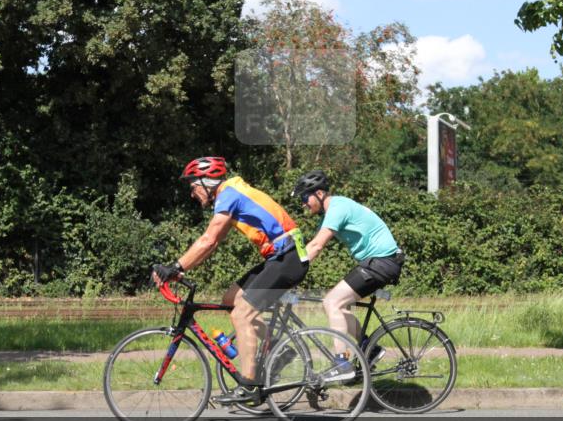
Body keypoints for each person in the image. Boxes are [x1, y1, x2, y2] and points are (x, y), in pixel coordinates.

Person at [151, 156, 309, 403]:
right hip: (280, 257)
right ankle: (279, 348)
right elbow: (212, 243)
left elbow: (208, 239)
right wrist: (181, 271)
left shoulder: (229, 194)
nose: (192, 194)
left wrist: (174, 267)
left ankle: (248, 384)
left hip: (288, 257)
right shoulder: (230, 194)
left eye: (193, 187)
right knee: (230, 300)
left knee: (241, 314)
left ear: (206, 182)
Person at [294, 170, 404, 371]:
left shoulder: (337, 208)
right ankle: (369, 349)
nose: (302, 204)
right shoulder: (335, 209)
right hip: (379, 262)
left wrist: (290, 272)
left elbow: (317, 246)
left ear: (319, 193)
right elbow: (312, 245)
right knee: (340, 307)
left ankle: (341, 363)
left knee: (332, 302)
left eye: (304, 197)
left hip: (381, 262)